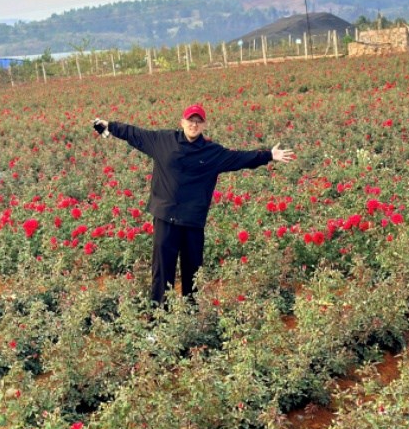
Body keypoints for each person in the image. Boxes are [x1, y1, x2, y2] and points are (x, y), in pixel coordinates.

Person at [91, 103, 296, 305]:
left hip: (192, 220)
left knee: (193, 271)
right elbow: (135, 133)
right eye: (191, 120)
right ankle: (159, 320)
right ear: (182, 122)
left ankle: (190, 316)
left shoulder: (211, 152)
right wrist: (110, 126)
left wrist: (269, 155)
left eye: (198, 121)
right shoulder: (163, 140)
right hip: (165, 216)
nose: (194, 125)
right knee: (162, 271)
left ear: (204, 125)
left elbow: (239, 158)